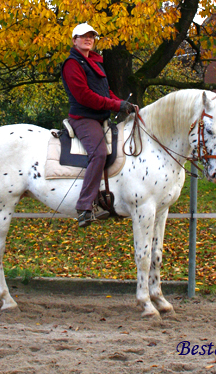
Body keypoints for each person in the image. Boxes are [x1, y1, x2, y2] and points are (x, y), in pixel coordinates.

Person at [62, 22, 135, 228]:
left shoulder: (95, 62)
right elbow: (84, 97)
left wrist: (122, 104)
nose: (88, 39)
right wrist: (115, 105)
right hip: (84, 118)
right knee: (99, 153)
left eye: (91, 36)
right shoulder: (72, 64)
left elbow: (105, 92)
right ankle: (85, 207)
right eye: (83, 36)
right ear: (74, 40)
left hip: (101, 117)